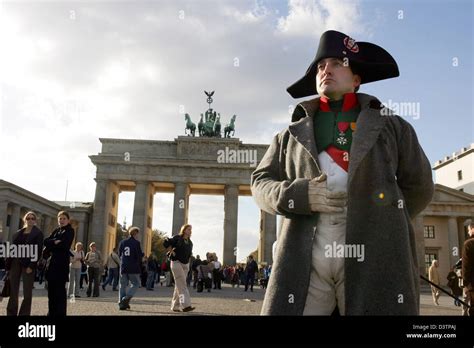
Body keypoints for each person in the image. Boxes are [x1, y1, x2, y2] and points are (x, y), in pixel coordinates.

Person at [251, 30, 434, 315]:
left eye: (338, 62)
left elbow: (420, 186)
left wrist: (383, 220)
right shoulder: (288, 135)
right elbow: (260, 183)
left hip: (370, 258)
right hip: (306, 260)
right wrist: (298, 195)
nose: (326, 69)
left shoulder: (394, 127)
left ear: (357, 79)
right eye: (321, 66)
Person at [5, 211, 44, 316]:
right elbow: (12, 249)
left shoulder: (38, 233)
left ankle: (24, 314)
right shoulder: (18, 233)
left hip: (28, 264)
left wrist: (32, 265)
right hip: (15, 262)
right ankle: (11, 313)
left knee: (27, 293)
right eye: (28, 218)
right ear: (25, 220)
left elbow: (38, 250)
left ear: (35, 220)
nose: (30, 220)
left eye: (32, 218)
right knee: (13, 290)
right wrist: (8, 265)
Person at [43, 211, 75, 316]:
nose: (61, 220)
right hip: (51, 265)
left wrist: (52, 243)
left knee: (60, 293)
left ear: (68, 220)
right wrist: (54, 242)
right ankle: (51, 313)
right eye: (60, 218)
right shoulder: (56, 230)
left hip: (61, 266)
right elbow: (45, 241)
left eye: (64, 218)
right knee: (51, 293)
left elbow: (64, 245)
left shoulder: (70, 231)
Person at [163, 224, 194, 312]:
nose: (190, 231)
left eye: (191, 229)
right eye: (188, 229)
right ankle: (185, 305)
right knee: (183, 285)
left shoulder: (190, 242)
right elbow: (166, 242)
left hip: (185, 264)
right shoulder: (177, 238)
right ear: (184, 230)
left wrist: (188, 263)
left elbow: (189, 254)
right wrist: (171, 251)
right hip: (176, 262)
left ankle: (175, 306)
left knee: (179, 286)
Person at [118, 226, 143, 310]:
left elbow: (119, 254)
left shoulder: (122, 242)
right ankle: (126, 299)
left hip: (124, 266)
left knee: (123, 285)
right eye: (138, 234)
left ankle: (122, 303)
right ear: (135, 234)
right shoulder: (136, 243)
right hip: (133, 267)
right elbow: (139, 256)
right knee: (136, 283)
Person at [461, 221, 474, 316]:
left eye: (469, 230)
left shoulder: (469, 244)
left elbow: (466, 266)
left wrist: (466, 284)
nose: (468, 232)